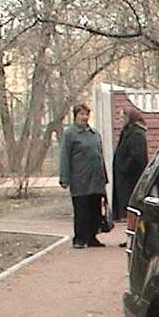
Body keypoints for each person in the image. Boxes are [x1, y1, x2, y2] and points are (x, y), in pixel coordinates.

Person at [59, 103, 107, 248]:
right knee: (82, 209)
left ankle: (92, 237)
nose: (84, 117)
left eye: (86, 114)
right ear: (76, 116)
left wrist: (104, 177)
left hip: (96, 179)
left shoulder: (94, 133)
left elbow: (100, 155)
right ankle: (80, 238)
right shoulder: (70, 134)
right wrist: (64, 178)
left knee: (95, 209)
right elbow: (64, 157)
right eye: (81, 114)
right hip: (80, 179)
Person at [111, 108, 148, 225]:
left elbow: (137, 157)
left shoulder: (137, 134)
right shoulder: (128, 132)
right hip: (125, 179)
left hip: (131, 179)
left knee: (133, 209)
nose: (121, 120)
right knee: (128, 210)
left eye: (123, 117)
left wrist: (124, 168)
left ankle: (132, 235)